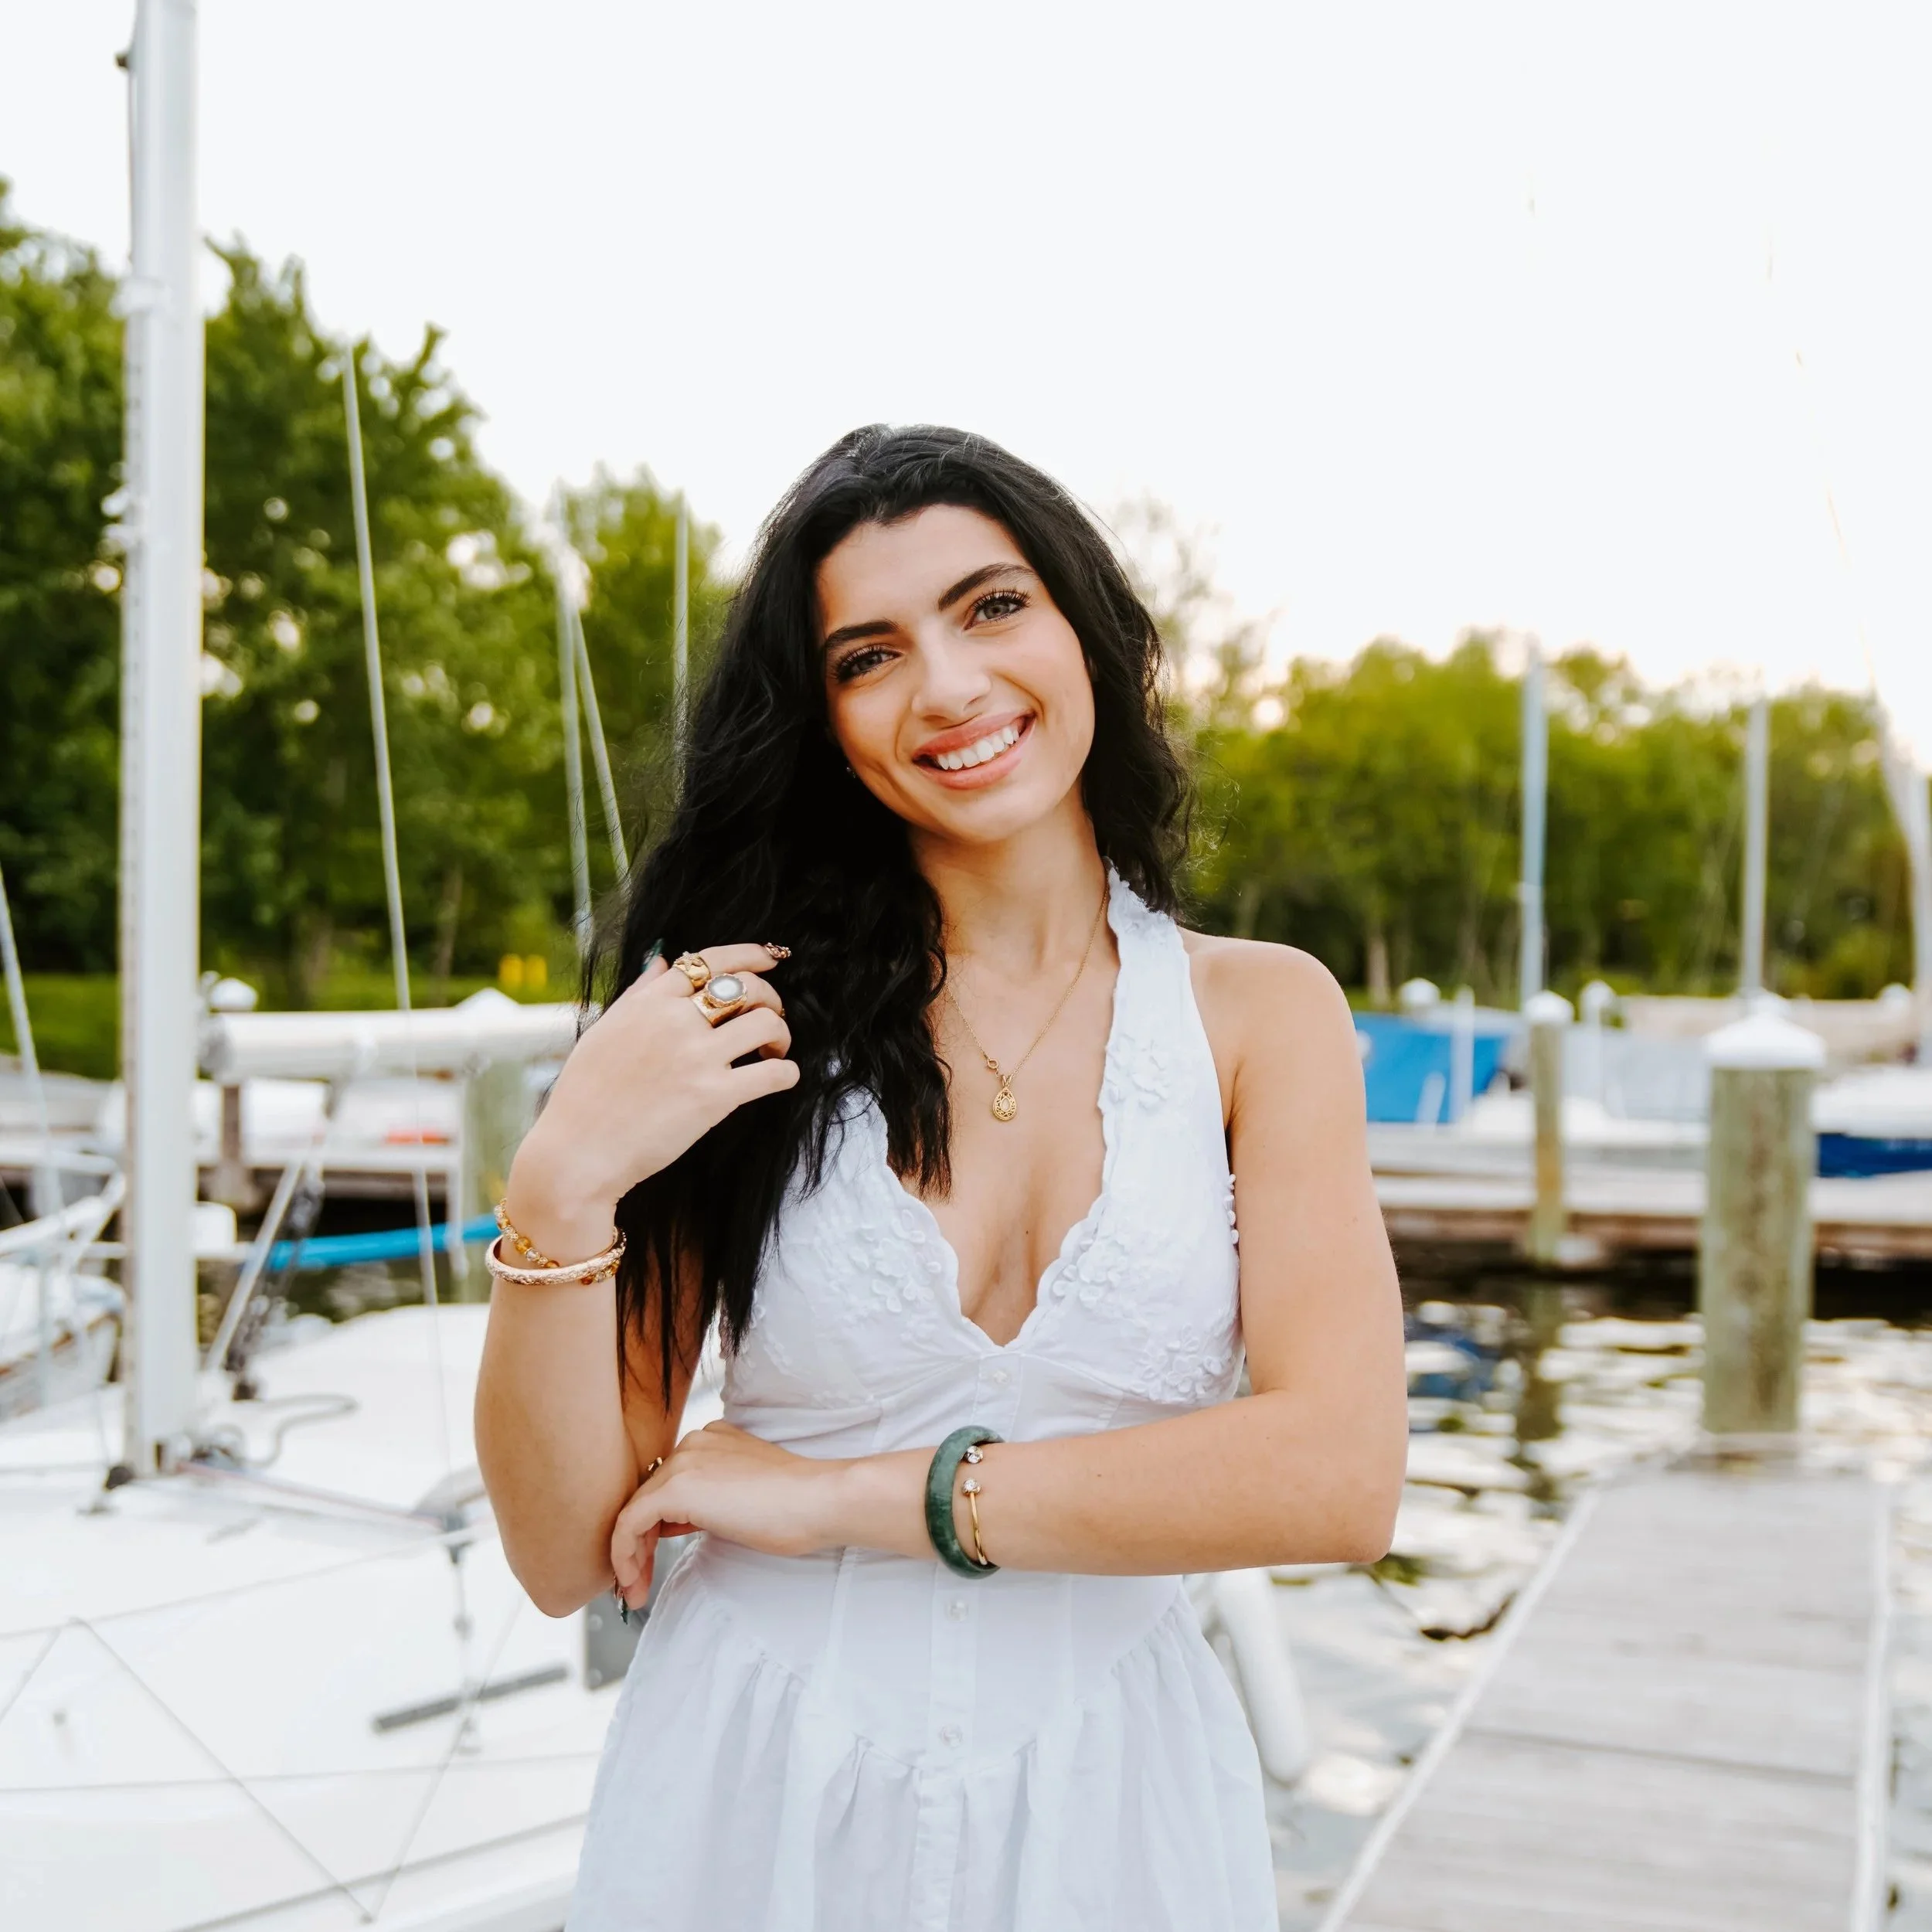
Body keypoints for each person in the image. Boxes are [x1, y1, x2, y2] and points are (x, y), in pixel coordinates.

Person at [475, 424, 1406, 1932]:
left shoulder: (1263, 1015)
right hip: (753, 1791)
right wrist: (563, 1179)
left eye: (990, 606)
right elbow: (559, 1545)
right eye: (867, 654)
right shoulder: (737, 1015)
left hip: (1116, 1803)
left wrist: (843, 1496)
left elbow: (1335, 1472)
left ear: (1083, 621)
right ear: (827, 719)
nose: (951, 686)